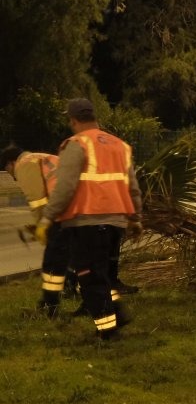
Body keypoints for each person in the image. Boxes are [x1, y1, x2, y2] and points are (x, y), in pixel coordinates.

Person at [37, 99, 143, 340]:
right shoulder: (119, 145)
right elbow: (133, 187)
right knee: (102, 273)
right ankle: (117, 312)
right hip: (116, 222)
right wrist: (136, 219)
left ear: (73, 120)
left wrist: (47, 218)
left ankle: (107, 330)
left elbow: (64, 187)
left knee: (90, 277)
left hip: (87, 221)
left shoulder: (76, 144)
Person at [3, 145, 73, 317]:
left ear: (12, 163)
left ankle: (50, 307)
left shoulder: (24, 165)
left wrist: (42, 226)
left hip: (62, 212)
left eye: (7, 169)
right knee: (69, 257)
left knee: (51, 263)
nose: (11, 176)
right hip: (73, 207)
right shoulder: (40, 157)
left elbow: (38, 200)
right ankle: (70, 291)